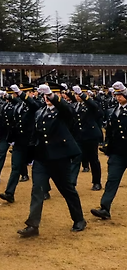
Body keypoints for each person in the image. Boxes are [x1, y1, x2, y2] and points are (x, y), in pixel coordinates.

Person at [17, 83, 86, 238]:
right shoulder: (40, 112)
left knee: (67, 190)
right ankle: (33, 225)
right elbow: (35, 134)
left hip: (59, 158)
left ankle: (79, 218)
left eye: (51, 95)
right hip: (42, 158)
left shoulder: (63, 111)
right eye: (46, 95)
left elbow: (67, 110)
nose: (47, 98)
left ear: (60, 95)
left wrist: (53, 97)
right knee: (37, 190)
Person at [91, 81, 127, 220]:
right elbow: (110, 132)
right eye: (116, 95)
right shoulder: (112, 110)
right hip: (117, 153)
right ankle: (105, 208)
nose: (118, 98)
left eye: (121, 95)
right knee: (112, 180)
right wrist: (108, 147)